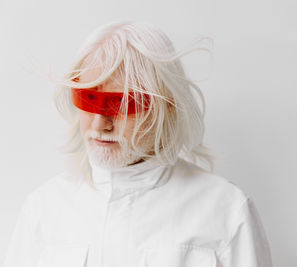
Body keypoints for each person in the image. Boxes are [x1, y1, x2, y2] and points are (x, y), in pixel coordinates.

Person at [3, 20, 273, 267]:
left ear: (165, 106)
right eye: (89, 99)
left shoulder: (224, 210)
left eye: (119, 104)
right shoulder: (44, 208)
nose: (100, 124)